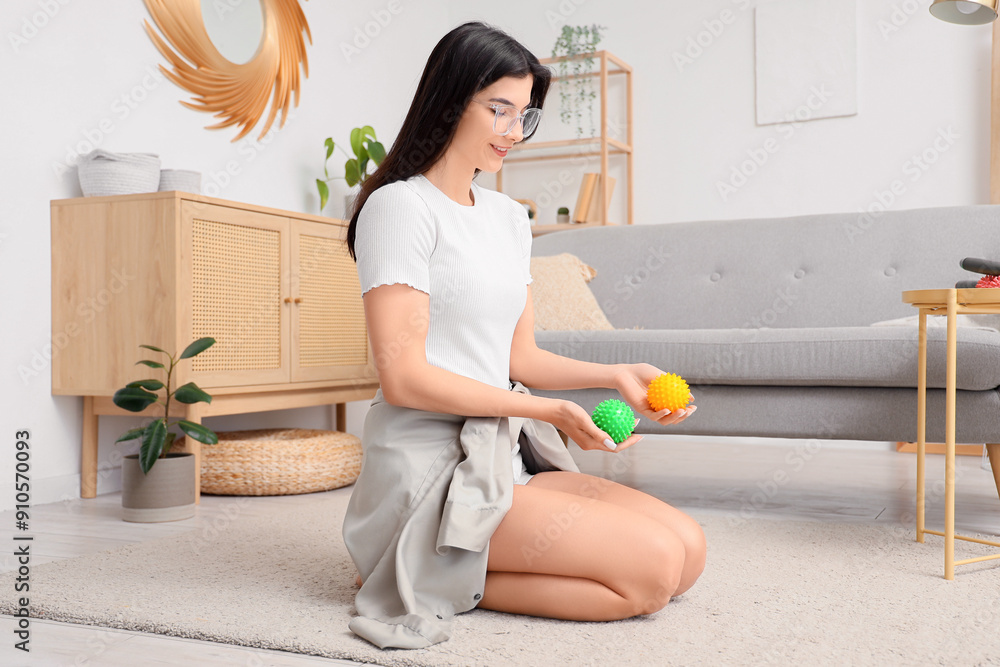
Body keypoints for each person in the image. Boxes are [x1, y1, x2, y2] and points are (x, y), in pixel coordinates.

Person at [341, 20, 705, 650]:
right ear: (451, 99)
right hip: (431, 463)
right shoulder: (400, 208)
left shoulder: (510, 220)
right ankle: (406, 564)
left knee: (689, 554)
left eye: (525, 114)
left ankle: (442, 565)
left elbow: (521, 357)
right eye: (499, 109)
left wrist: (614, 374)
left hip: (504, 450)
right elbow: (404, 376)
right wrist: (549, 410)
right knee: (648, 576)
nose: (514, 131)